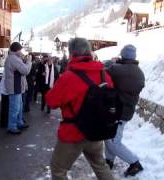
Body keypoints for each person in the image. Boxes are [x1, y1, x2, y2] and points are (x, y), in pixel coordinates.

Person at [46, 38, 115, 180]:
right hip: (96, 131)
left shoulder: (69, 76)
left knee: (58, 169)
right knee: (100, 166)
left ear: (72, 54)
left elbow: (51, 101)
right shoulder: (104, 74)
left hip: (73, 133)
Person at [104, 44, 145, 177]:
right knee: (112, 137)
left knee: (113, 142)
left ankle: (135, 163)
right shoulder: (140, 72)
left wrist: (113, 63)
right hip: (127, 111)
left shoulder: (116, 69)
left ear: (123, 55)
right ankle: (109, 161)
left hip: (117, 110)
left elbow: (104, 71)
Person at [4, 42, 32, 135]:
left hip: (16, 86)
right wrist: (29, 61)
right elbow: (25, 70)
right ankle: (12, 126)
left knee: (19, 107)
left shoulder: (13, 58)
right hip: (14, 87)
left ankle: (19, 122)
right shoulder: (14, 59)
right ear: (17, 50)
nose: (21, 52)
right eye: (20, 50)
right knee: (14, 108)